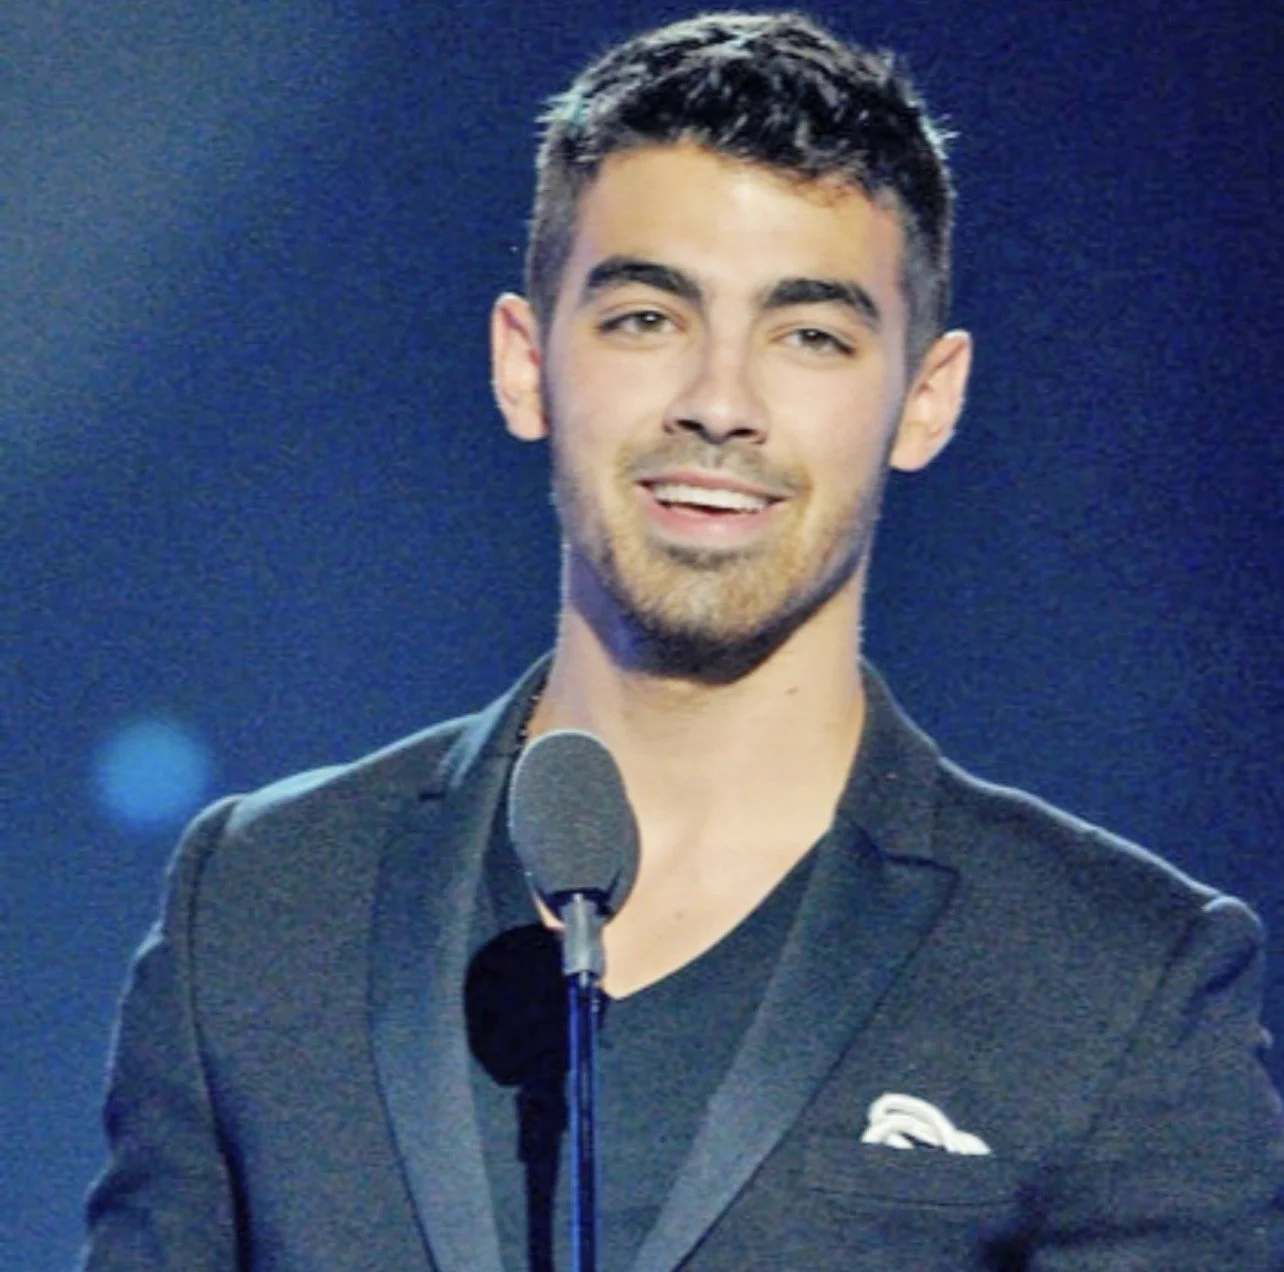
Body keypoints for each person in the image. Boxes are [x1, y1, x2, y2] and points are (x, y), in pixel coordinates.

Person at [82, 12, 1284, 1270]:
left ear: (926, 401)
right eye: (648, 317)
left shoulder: (1116, 981)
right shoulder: (263, 904)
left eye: (810, 335)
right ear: (524, 362)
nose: (720, 401)